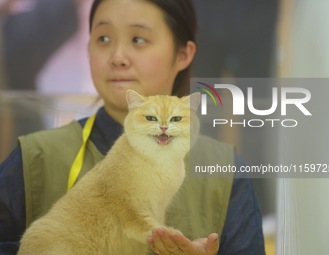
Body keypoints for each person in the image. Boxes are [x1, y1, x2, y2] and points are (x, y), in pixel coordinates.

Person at [0, 0, 265, 254]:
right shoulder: (34, 157)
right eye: (103, 38)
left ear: (183, 54)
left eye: (138, 39)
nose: (118, 57)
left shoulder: (226, 171)